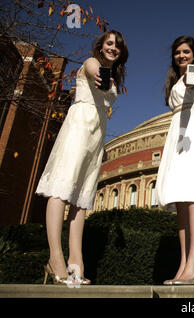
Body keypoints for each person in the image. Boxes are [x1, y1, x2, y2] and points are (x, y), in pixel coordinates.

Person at [36, 30, 129, 285]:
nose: (113, 48)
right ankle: (55, 259)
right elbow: (93, 71)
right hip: (79, 127)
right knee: (61, 189)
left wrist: (108, 82)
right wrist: (100, 75)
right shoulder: (92, 63)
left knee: (81, 198)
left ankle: (76, 263)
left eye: (117, 46)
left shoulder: (113, 76)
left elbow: (107, 89)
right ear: (100, 46)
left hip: (96, 134)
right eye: (109, 43)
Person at [155, 35, 194, 285]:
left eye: (186, 51)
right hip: (177, 130)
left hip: (192, 129)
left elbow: (193, 80)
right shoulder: (173, 80)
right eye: (178, 52)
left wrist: (191, 80)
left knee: (193, 192)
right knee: (180, 198)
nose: (182, 55)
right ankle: (184, 263)